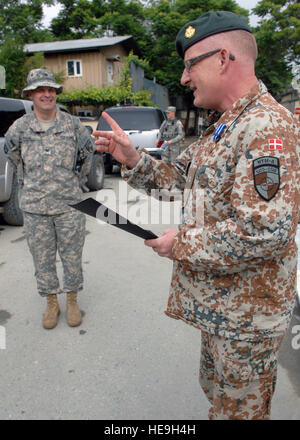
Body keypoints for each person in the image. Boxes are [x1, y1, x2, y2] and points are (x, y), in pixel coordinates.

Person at [94, 10, 299, 419]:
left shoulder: (265, 127)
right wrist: (133, 158)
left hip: (246, 319)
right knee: (218, 399)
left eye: (190, 65)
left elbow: (263, 232)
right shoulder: (225, 124)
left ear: (223, 59)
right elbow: (179, 178)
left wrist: (180, 243)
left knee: (240, 412)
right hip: (222, 308)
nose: (184, 78)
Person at [5, 69, 93, 329]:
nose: (47, 94)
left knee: (72, 256)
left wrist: (73, 184)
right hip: (35, 208)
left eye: (51, 90)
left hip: (70, 206)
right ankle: (52, 302)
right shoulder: (19, 128)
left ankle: (73, 300)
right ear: (31, 94)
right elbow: (14, 159)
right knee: (42, 259)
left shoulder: (73, 124)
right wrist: (33, 185)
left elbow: (87, 155)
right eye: (41, 90)